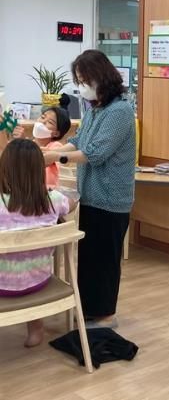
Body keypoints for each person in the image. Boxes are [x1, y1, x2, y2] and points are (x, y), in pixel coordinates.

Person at [42, 50, 136, 328]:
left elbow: (96, 153)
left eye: (84, 80)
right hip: (92, 196)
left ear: (100, 77)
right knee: (90, 257)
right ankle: (89, 310)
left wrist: (56, 157)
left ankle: (106, 315)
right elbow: (79, 140)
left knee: (104, 259)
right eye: (79, 81)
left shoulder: (120, 111)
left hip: (111, 198)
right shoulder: (96, 110)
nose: (82, 86)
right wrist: (56, 150)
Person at [0, 139, 75, 347]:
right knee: (29, 263)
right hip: (38, 281)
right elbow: (72, 204)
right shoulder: (53, 200)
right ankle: (35, 329)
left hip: (2, 285)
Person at [12, 95, 71, 188]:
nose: (42, 122)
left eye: (50, 122)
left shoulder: (56, 146)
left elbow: (36, 160)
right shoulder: (29, 142)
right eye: (43, 117)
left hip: (46, 193)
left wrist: (23, 143)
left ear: (56, 133)